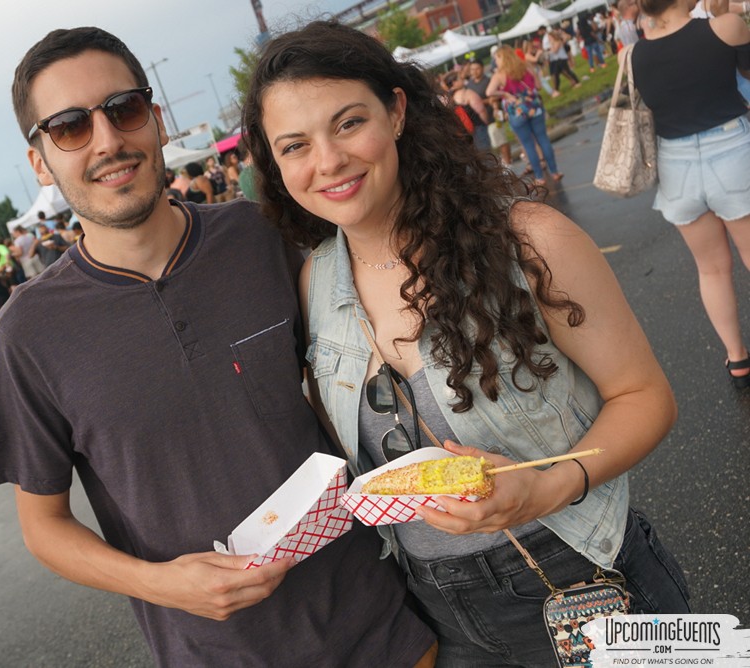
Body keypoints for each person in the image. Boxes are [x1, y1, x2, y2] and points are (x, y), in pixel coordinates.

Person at [0, 26, 436, 667]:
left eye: (124, 109)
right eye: (69, 127)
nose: (109, 140)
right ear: (40, 161)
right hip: (217, 653)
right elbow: (44, 527)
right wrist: (157, 582)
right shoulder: (29, 332)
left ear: (156, 120)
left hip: (379, 623)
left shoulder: (260, 237)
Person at [243, 20, 690, 665]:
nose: (328, 161)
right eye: (294, 146)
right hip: (442, 615)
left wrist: (545, 488)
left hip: (580, 574)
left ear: (396, 112)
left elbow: (646, 397)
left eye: (347, 123)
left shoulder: (528, 239)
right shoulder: (316, 282)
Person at [632, 0, 750, 388]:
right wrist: (718, 13)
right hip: (731, 149)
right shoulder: (727, 26)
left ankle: (738, 360)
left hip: (675, 165)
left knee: (711, 269)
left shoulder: (631, 54)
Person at [488, 45, 564, 186]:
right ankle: (555, 172)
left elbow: (489, 92)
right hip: (534, 107)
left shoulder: (499, 75)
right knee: (543, 139)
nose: (495, 61)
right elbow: (539, 86)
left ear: (501, 58)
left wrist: (505, 93)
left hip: (516, 111)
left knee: (528, 144)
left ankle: (539, 177)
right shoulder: (526, 67)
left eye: (496, 58)